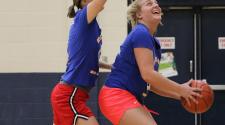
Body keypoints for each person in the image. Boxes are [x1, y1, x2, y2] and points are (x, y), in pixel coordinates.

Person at [98, 0, 202, 125]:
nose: (155, 5)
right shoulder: (140, 33)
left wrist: (181, 95)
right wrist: (180, 89)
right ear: (138, 15)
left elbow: (151, 84)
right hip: (116, 95)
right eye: (149, 3)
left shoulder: (154, 42)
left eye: (156, 3)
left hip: (128, 96)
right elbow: (148, 74)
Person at [50, 0, 111, 125]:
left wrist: (110, 66)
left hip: (72, 95)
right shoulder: (83, 17)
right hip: (69, 96)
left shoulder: (90, 26)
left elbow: (86, 57)